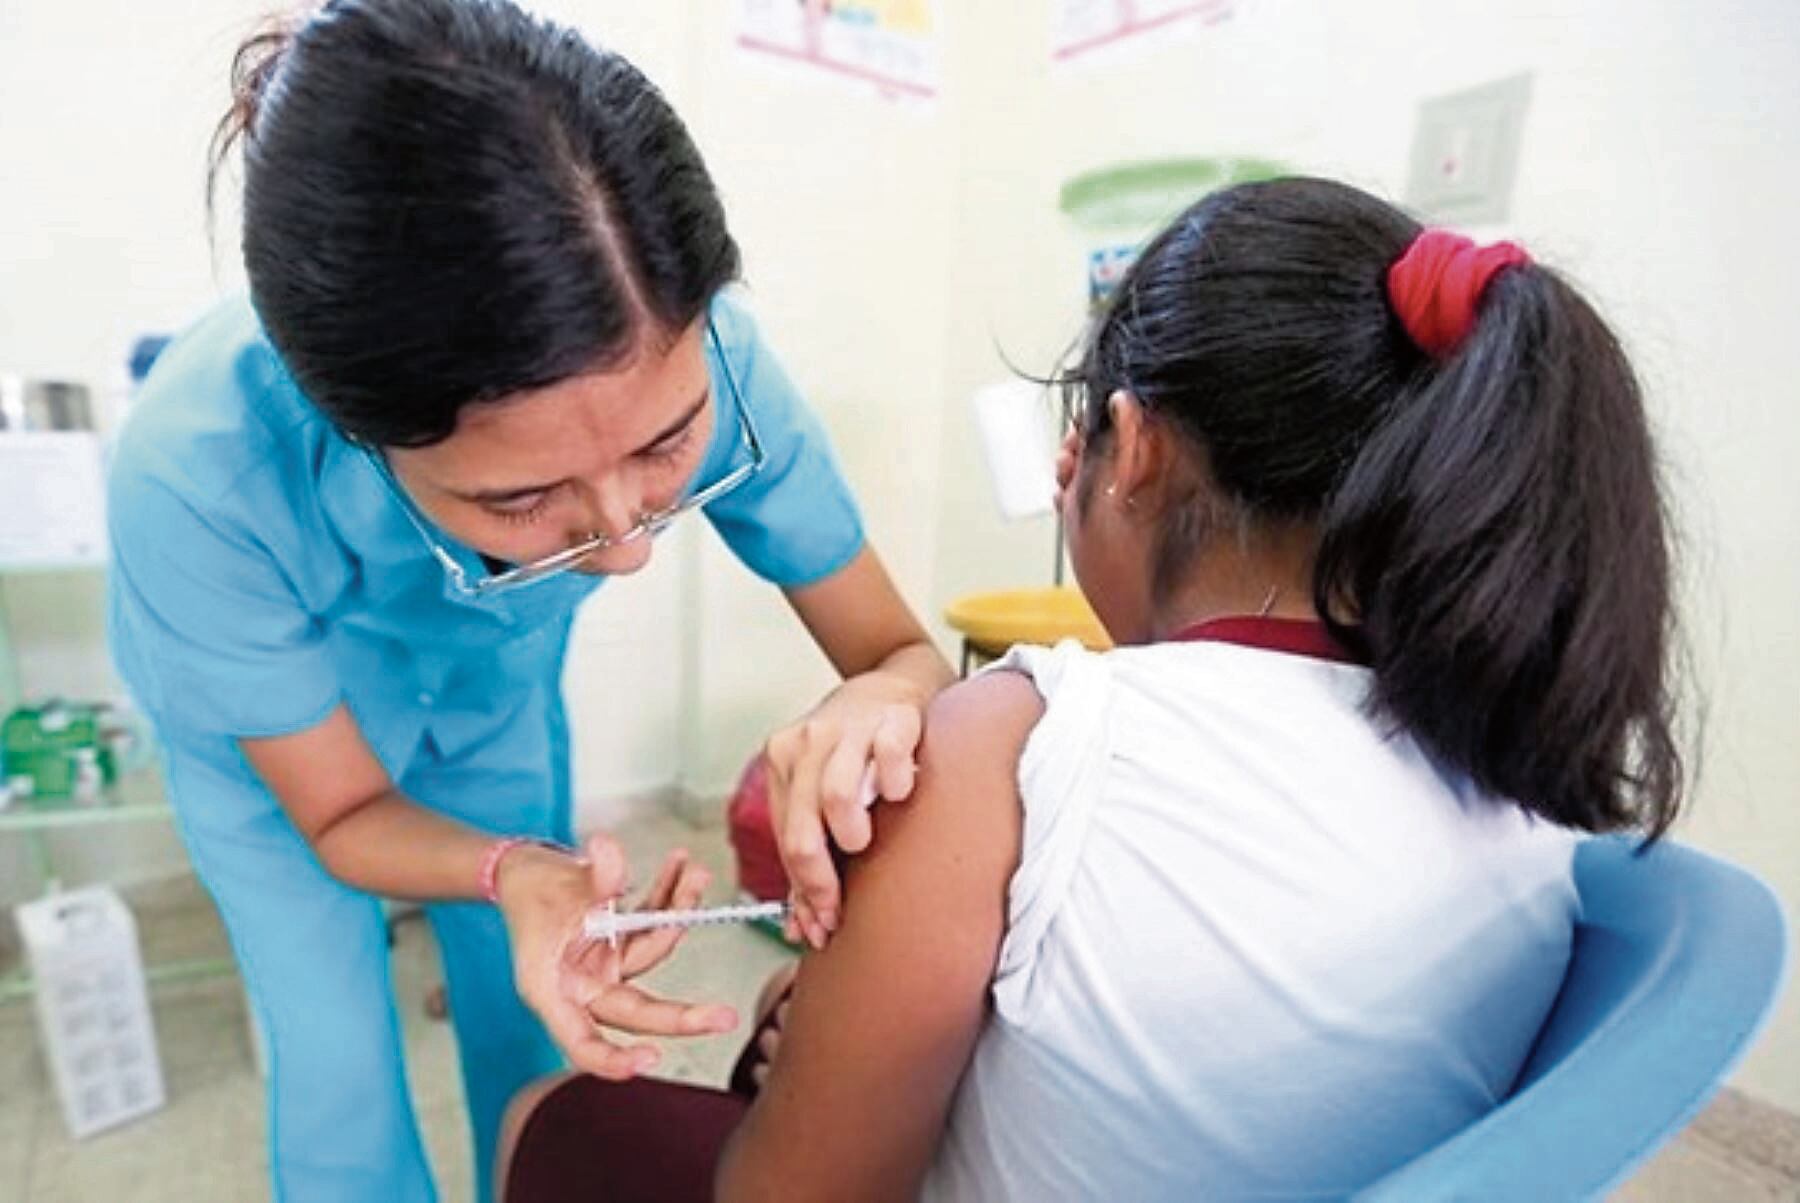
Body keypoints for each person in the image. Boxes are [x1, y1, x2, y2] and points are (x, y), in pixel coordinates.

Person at [498, 176, 1683, 1202]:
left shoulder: (1015, 751)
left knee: (553, 1116)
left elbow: (792, 1191)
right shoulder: (1527, 777)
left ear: (1134, 447)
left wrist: (799, 1052)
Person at [103, 2, 952, 1200]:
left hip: (490, 707)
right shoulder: (202, 475)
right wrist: (510, 869)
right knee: (336, 1059)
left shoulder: (713, 370)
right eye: (522, 501)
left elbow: (900, 650)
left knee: (546, 1015)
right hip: (277, 777)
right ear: (355, 430)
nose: (622, 548)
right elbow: (343, 820)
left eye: (666, 448)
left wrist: (879, 699)